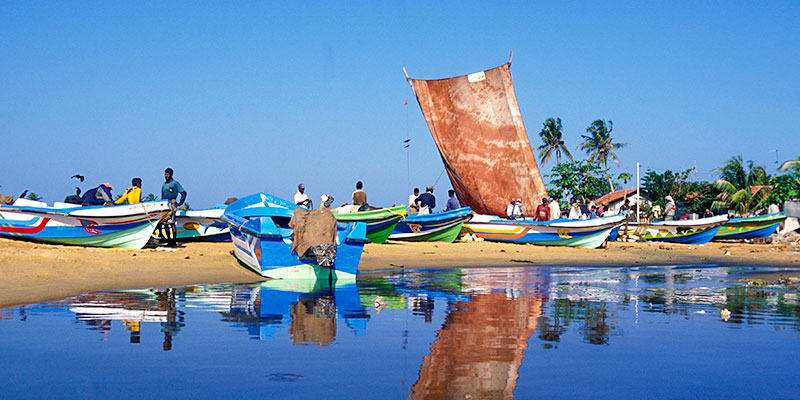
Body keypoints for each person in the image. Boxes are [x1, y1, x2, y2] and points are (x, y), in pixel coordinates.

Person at [159, 168, 187, 247]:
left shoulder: (175, 183)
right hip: (164, 204)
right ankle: (169, 241)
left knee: (172, 223)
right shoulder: (164, 184)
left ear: (171, 175)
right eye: (165, 174)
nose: (166, 176)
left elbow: (183, 192)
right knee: (165, 223)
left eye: (167, 174)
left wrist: (180, 203)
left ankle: (174, 241)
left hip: (172, 203)